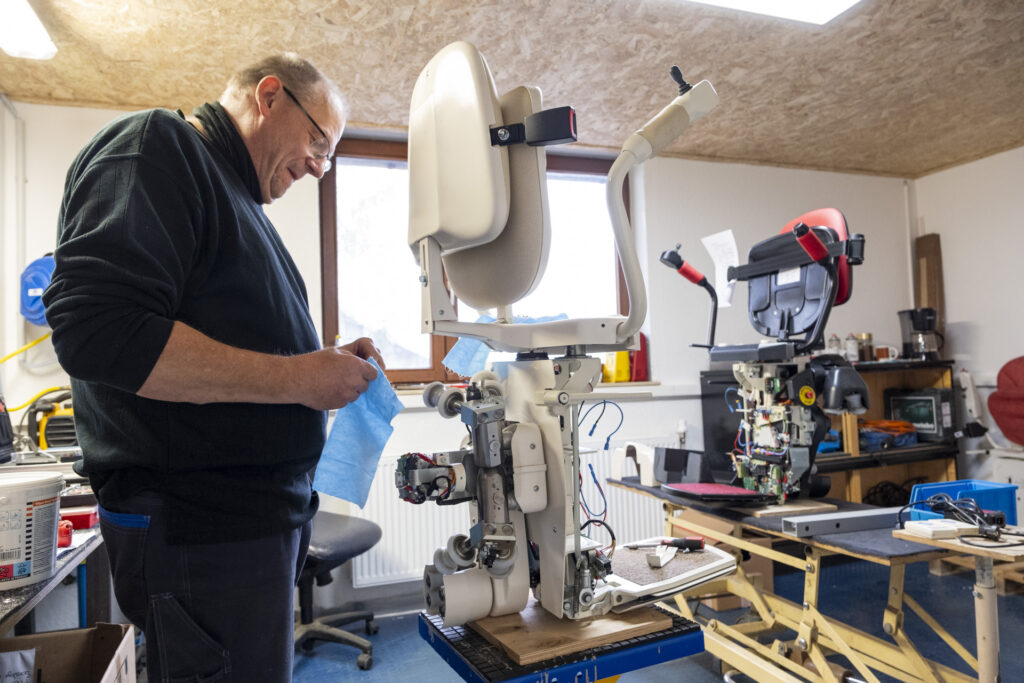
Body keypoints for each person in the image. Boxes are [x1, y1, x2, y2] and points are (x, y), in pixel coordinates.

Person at [42, 53, 383, 682]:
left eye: (329, 155)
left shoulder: (237, 197)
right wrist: (300, 379)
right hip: (202, 529)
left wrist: (321, 362)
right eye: (317, 141)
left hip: (245, 527)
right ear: (269, 97)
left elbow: (237, 339)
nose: (317, 166)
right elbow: (98, 328)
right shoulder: (156, 147)